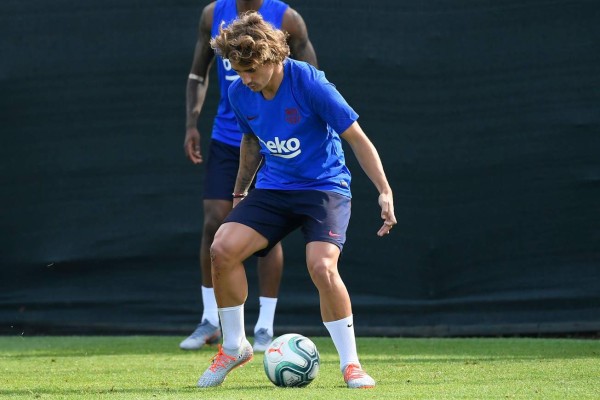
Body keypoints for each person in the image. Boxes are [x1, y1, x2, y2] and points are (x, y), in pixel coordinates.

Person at [196, 12, 397, 389]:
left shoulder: (309, 82)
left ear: (273, 57)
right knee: (222, 246)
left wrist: (384, 190)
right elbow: (252, 141)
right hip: (274, 189)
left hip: (325, 187)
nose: (245, 80)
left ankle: (351, 365)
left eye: (251, 70)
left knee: (321, 267)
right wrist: (240, 194)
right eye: (239, 72)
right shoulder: (242, 93)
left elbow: (357, 137)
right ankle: (234, 346)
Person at [181, 0, 318, 352]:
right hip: (228, 138)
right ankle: (211, 320)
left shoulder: (287, 18)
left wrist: (297, 133)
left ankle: (264, 326)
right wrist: (191, 123)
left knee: (264, 232)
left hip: (271, 139)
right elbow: (199, 73)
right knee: (215, 220)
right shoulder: (213, 15)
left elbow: (311, 79)